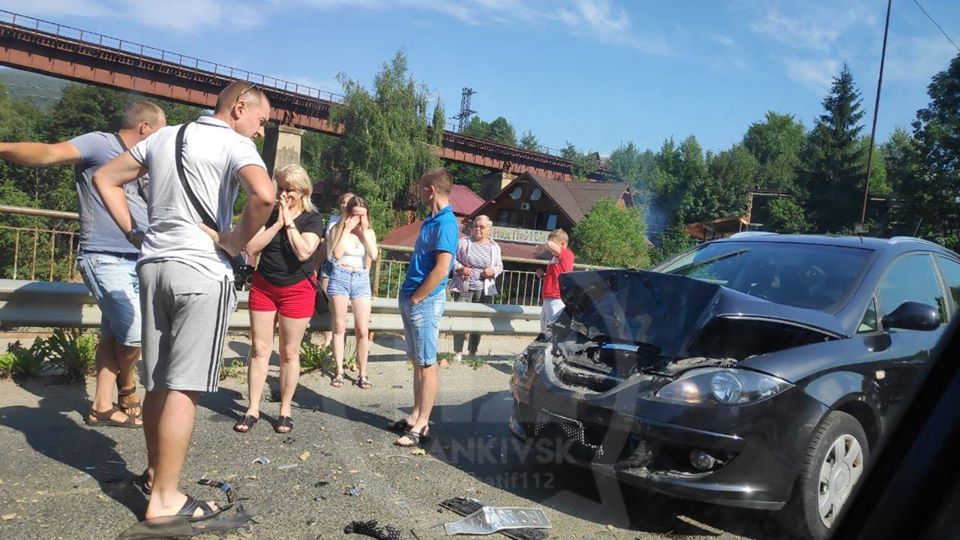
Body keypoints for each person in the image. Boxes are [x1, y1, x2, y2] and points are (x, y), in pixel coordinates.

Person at [93, 81, 275, 521]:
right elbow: (265, 196)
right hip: (200, 269)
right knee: (184, 384)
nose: (261, 132)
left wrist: (136, 233)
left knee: (157, 381)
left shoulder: (163, 135)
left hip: (153, 266)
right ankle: (166, 500)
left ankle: (157, 476)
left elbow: (105, 178)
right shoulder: (233, 143)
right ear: (238, 108)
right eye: (261, 120)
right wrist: (233, 241)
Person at [0, 100, 167, 428]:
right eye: (159, 132)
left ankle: (101, 406)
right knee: (134, 334)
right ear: (144, 128)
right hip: (104, 256)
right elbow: (48, 153)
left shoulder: (146, 162)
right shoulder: (100, 143)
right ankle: (128, 386)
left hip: (142, 259)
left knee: (111, 334)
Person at [233, 164, 323, 435]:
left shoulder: (312, 219)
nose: (283, 194)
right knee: (260, 349)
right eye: (280, 188)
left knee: (288, 352)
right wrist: (277, 224)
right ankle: (252, 408)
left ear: (303, 191)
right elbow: (251, 247)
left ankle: (285, 409)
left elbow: (305, 252)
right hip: (264, 286)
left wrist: (291, 223)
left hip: (297, 290)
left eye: (289, 190)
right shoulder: (270, 214)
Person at [390, 168, 458, 447]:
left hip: (424, 301)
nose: (418, 193)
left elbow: (443, 269)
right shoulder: (431, 221)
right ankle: (415, 415)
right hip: (413, 297)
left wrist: (418, 297)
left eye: (421, 188)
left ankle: (422, 425)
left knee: (427, 363)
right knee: (418, 362)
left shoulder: (446, 224)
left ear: (430, 189)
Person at [326, 195, 378, 389]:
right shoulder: (336, 229)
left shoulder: (369, 233)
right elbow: (336, 254)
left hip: (361, 279)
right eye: (355, 214)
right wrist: (347, 228)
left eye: (362, 215)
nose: (359, 219)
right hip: (340, 275)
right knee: (339, 326)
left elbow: (373, 254)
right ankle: (339, 371)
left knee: (362, 330)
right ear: (348, 213)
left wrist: (364, 232)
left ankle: (363, 373)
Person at [449, 215, 503, 361]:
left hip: (484, 288)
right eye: (475, 226)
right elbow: (451, 258)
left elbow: (499, 266)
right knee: (460, 318)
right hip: (463, 286)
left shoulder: (494, 247)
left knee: (478, 321)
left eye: (482, 227)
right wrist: (460, 268)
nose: (478, 229)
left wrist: (493, 271)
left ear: (489, 230)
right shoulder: (463, 242)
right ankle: (457, 352)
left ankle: (472, 352)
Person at [316, 192, 355, 348]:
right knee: (327, 305)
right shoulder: (333, 220)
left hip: (347, 268)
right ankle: (327, 341)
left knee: (340, 308)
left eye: (348, 202)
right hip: (329, 265)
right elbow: (325, 245)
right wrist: (316, 265)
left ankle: (339, 343)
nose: (344, 205)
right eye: (342, 202)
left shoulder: (357, 222)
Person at [536, 228, 575, 337]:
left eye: (555, 243)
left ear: (562, 244)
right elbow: (557, 274)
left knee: (552, 327)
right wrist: (544, 276)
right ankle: (547, 348)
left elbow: (549, 244)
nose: (549, 248)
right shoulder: (556, 257)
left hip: (556, 296)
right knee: (545, 326)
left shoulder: (567, 254)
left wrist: (548, 242)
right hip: (550, 296)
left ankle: (553, 350)